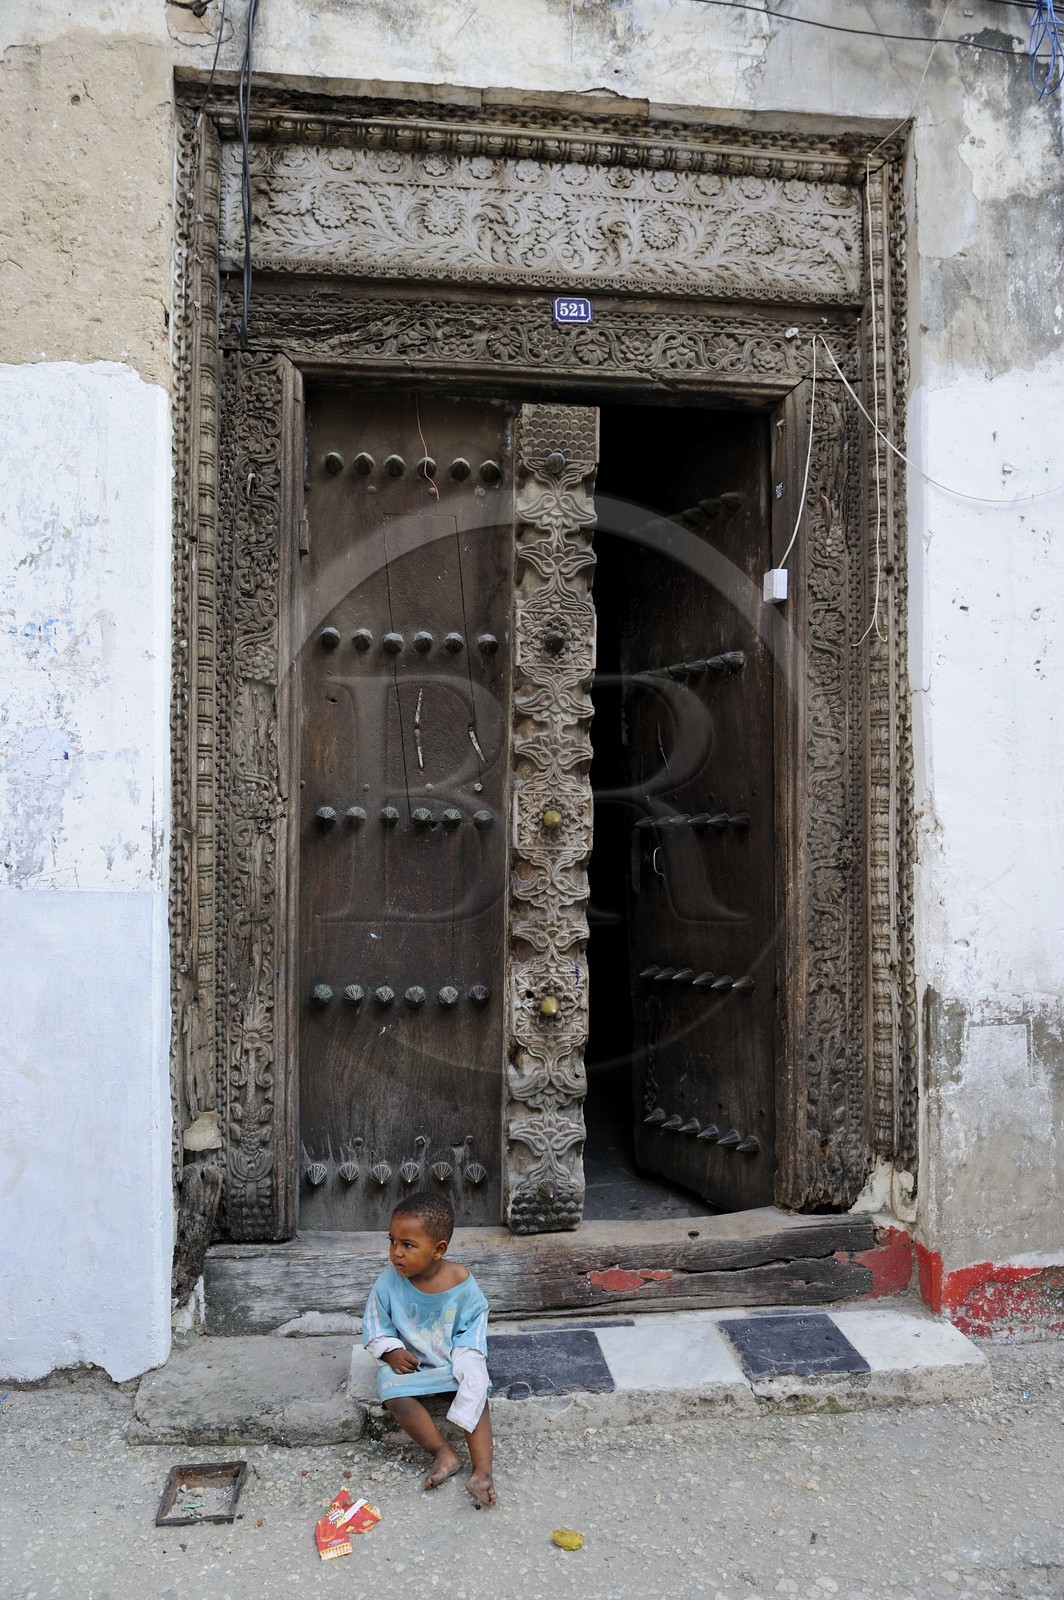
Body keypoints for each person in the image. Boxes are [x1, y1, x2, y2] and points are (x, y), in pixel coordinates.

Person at [363, 1190, 496, 1506]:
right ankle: (443, 1453)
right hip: (412, 1366)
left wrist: (466, 1357)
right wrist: (391, 1351)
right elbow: (376, 1323)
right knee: (392, 1392)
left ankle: (482, 1470)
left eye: (408, 1245)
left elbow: (474, 1322)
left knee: (476, 1390)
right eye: (392, 1241)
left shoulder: (460, 1281)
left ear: (438, 1250)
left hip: (452, 1361)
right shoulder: (388, 1283)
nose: (397, 1253)